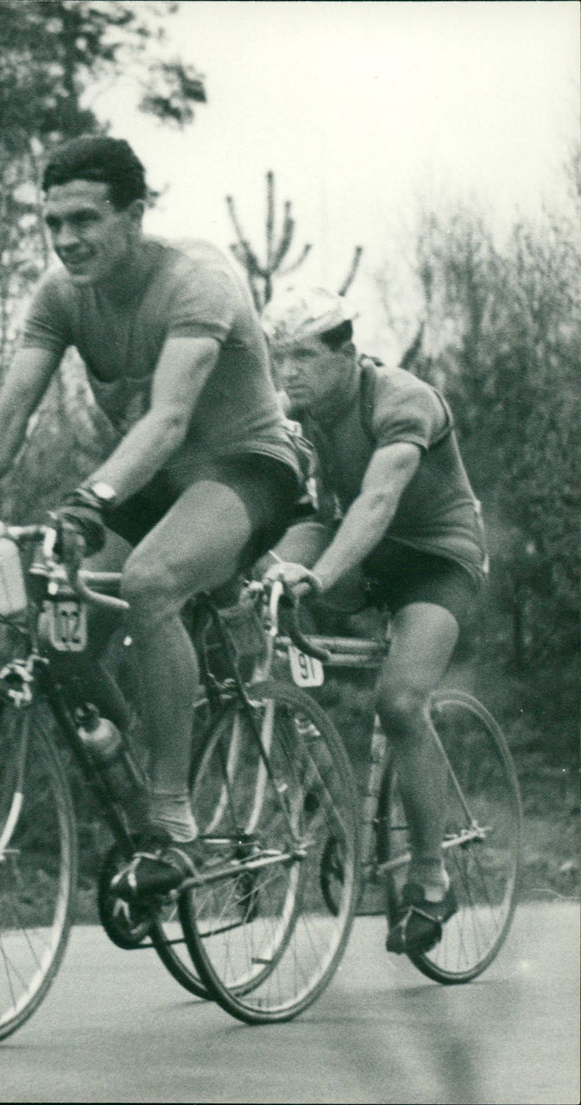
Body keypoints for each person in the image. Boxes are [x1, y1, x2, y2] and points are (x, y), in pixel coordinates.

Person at [0, 135, 303, 900]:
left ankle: (174, 821)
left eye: (86, 219)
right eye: (53, 223)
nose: (68, 240)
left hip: (248, 466)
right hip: (153, 480)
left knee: (148, 581)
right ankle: (147, 760)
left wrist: (91, 499)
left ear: (135, 214)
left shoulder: (197, 281)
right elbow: (10, 413)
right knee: (56, 617)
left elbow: (171, 417)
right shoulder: (60, 296)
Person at [263, 286, 488, 955]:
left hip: (437, 560)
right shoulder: (293, 414)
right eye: (281, 357)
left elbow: (378, 498)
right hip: (362, 555)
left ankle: (430, 875)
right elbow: (300, 510)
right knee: (264, 596)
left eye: (305, 354)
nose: (290, 370)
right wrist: (267, 568)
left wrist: (321, 575)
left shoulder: (401, 399)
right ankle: (323, 806)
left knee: (399, 699)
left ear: (348, 353)